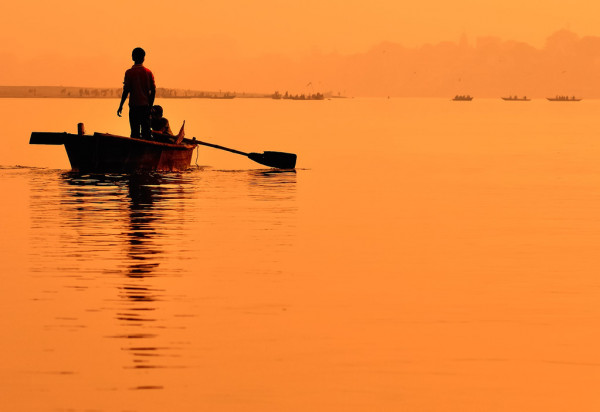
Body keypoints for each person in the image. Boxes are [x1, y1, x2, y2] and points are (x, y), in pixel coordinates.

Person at [117, 47, 156, 139]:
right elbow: (153, 91)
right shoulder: (148, 72)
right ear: (143, 58)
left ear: (132, 57)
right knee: (146, 133)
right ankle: (146, 152)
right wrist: (150, 106)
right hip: (145, 107)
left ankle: (135, 151)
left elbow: (126, 91)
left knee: (134, 132)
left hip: (134, 107)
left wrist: (121, 105)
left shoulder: (129, 73)